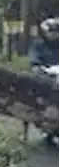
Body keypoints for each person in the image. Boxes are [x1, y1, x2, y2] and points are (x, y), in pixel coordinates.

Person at [27, 16, 60, 147]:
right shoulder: (39, 45)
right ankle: (46, 127)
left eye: (57, 32)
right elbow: (34, 61)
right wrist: (38, 68)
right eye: (51, 31)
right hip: (45, 79)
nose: (54, 34)